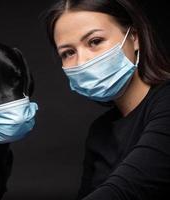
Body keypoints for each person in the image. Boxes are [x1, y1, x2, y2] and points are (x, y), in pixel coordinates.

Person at [44, 0, 170, 199]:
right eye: (68, 53)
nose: (82, 61)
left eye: (95, 41)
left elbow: (126, 190)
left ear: (134, 37)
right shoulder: (100, 132)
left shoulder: (165, 103)